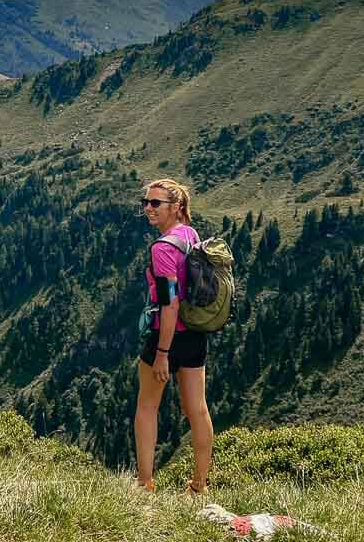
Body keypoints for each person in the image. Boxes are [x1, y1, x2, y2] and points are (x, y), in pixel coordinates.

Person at [134, 178, 213, 495]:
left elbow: (169, 302)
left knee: (147, 407)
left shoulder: (163, 249)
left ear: (176, 207)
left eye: (156, 204)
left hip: (166, 337)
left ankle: (144, 484)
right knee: (198, 409)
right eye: (146, 203)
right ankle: (199, 485)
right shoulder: (190, 235)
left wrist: (163, 353)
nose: (148, 209)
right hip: (196, 335)